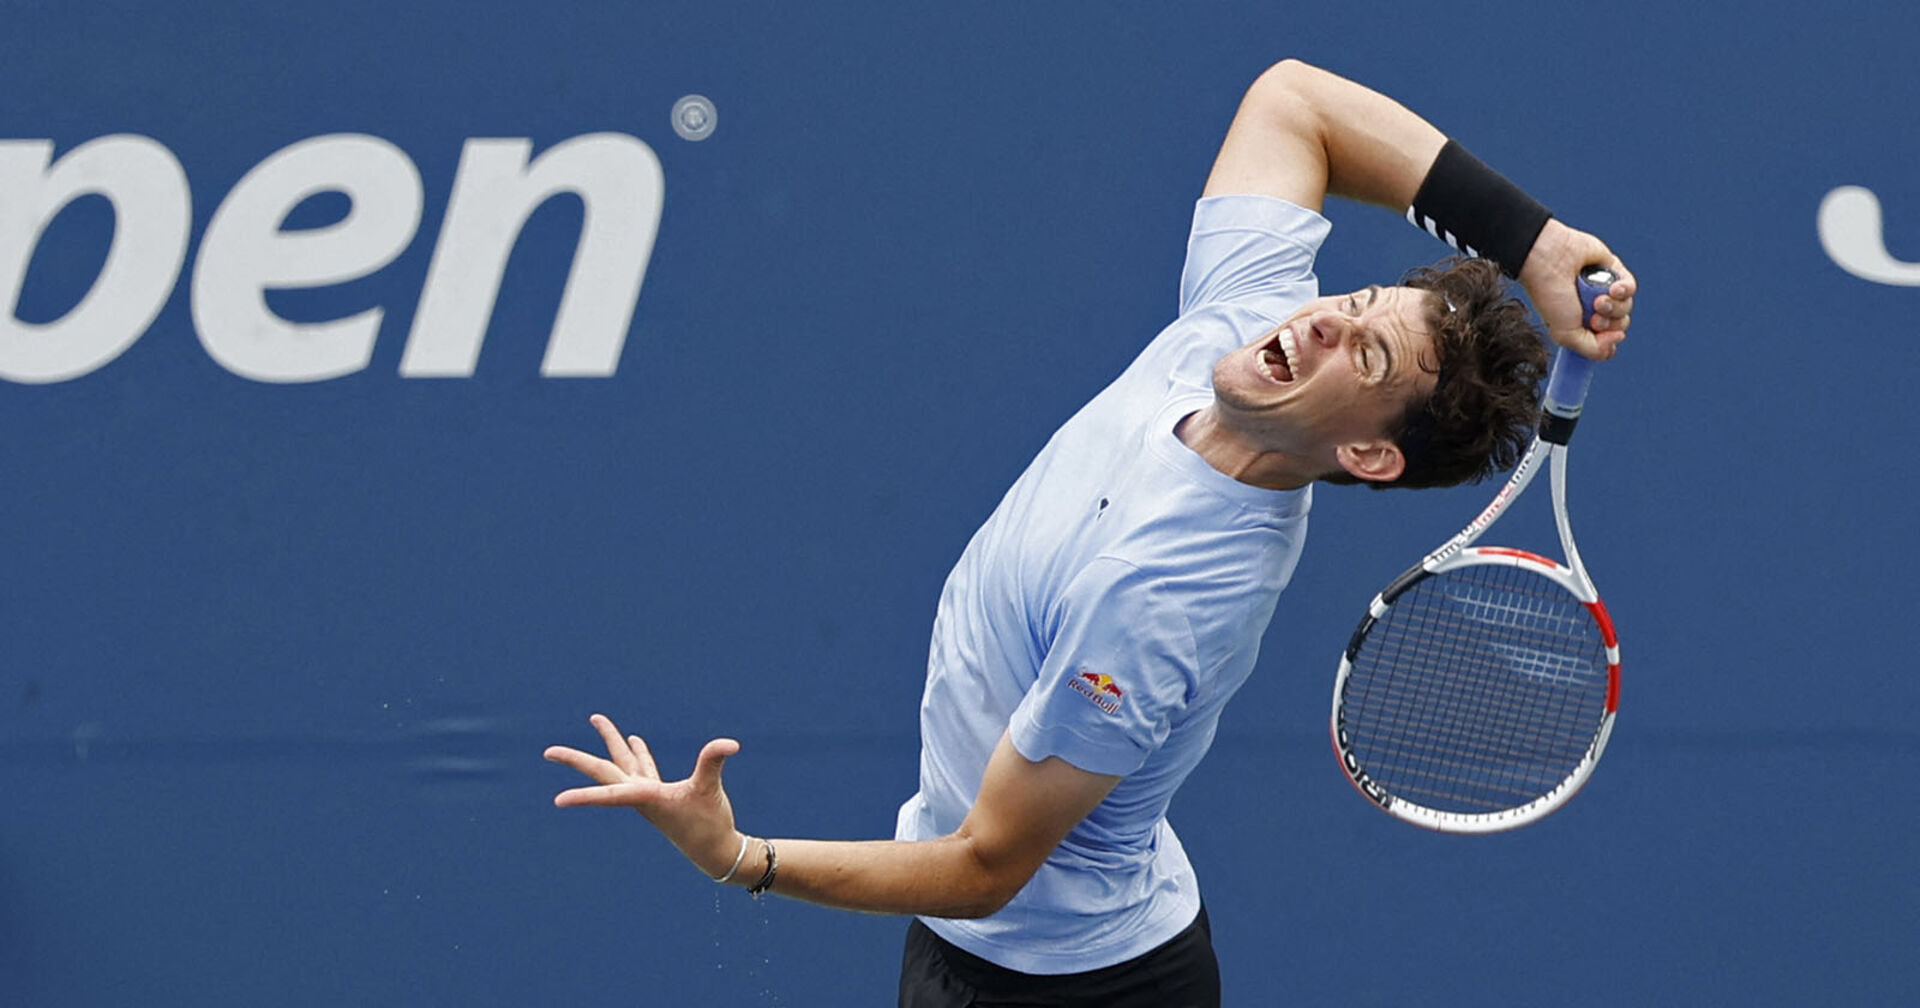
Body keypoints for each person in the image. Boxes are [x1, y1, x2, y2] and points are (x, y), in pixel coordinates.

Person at [544, 59, 1637, 1007]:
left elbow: (983, 865)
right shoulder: (1239, 326)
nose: (1321, 319)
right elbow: (1295, 101)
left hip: (1060, 992)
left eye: (1367, 356)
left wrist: (741, 860)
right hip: (992, 953)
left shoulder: (1164, 598)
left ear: (1366, 456)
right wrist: (1530, 240)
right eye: (1353, 299)